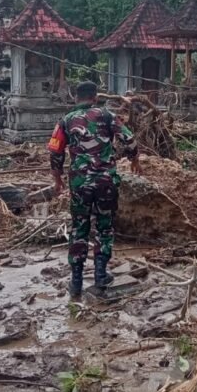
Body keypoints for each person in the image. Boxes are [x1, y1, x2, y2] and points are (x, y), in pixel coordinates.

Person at [48, 81, 141, 298]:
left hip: (80, 183)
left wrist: (57, 179)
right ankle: (100, 275)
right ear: (95, 98)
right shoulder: (107, 115)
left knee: (79, 228)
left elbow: (55, 151)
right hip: (105, 181)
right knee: (104, 226)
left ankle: (76, 281)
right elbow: (128, 138)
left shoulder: (65, 120)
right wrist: (134, 159)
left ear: (76, 98)